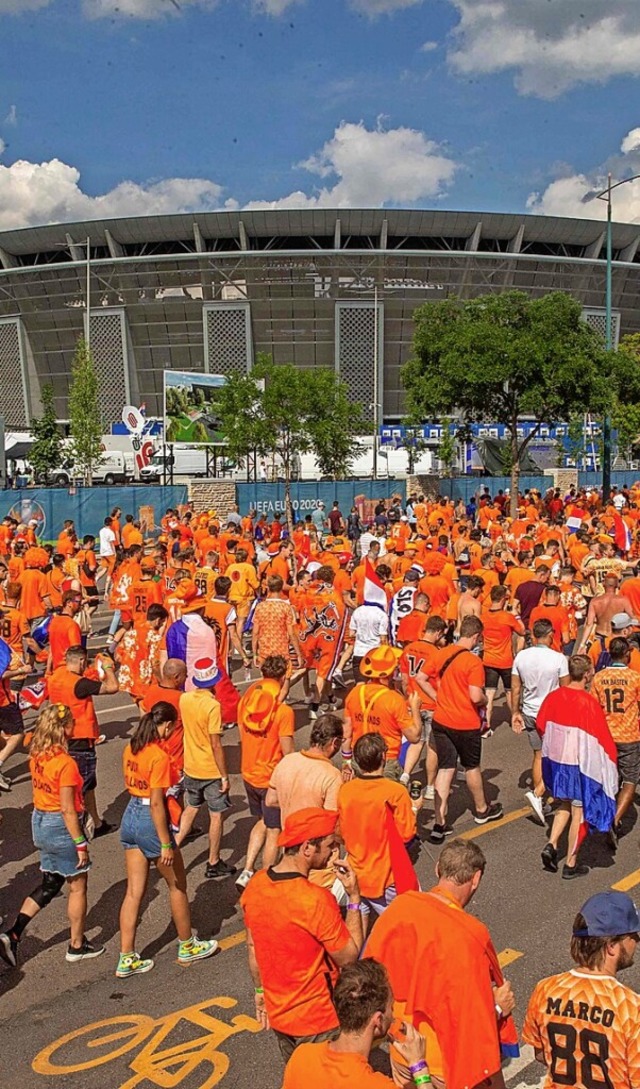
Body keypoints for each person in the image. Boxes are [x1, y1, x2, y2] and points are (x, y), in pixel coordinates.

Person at [366, 839, 516, 1089]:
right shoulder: (470, 934)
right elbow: (470, 1015)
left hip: (402, 1048)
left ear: (437, 869)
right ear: (476, 879)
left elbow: (369, 973)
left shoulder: (398, 908)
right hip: (446, 1062)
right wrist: (499, 1008)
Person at [240, 807, 363, 1062]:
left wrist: (260, 992)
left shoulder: (256, 886)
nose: (333, 852)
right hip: (319, 1019)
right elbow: (349, 957)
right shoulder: (315, 900)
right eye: (329, 845)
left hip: (279, 1015)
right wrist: (353, 899)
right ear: (308, 847)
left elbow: (253, 949)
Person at [117, 701, 218, 977]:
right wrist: (165, 842)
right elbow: (157, 804)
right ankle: (187, 944)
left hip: (130, 816)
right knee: (177, 886)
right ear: (168, 725)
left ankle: (126, 956)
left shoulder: (132, 748)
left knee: (134, 891)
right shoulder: (158, 757)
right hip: (150, 821)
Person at [0, 703, 104, 968]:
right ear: (63, 728)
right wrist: (80, 843)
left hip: (41, 822)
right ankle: (77, 945)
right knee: (78, 886)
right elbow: (68, 809)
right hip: (61, 826)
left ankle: (13, 934)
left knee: (51, 882)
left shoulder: (36, 756)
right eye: (71, 722)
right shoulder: (65, 764)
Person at [523, 891, 640, 1088]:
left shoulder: (545, 990)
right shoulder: (631, 1008)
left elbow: (541, 1053)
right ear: (611, 946)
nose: (636, 941)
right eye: (632, 935)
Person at [282, 959, 427, 1088]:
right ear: (378, 1020)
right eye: (391, 1007)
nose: (393, 1013)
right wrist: (419, 1066)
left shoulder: (301, 1056)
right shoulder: (376, 1085)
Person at [538, 655, 618, 879]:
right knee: (578, 811)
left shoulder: (554, 696)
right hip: (578, 766)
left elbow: (541, 724)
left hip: (557, 761)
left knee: (563, 804)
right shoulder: (588, 702)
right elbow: (601, 738)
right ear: (586, 675)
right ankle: (571, 862)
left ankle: (552, 844)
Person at [429, 615, 503, 843]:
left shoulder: (442, 653)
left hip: (441, 720)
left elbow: (421, 677)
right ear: (476, 636)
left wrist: (437, 697)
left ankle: (439, 822)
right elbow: (474, 695)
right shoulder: (473, 663)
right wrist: (483, 701)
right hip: (465, 723)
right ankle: (482, 810)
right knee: (471, 766)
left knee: (445, 768)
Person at [338, 733, 418, 919]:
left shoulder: (345, 790)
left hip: (355, 871)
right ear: (383, 756)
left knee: (358, 923)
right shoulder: (395, 792)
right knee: (401, 923)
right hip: (384, 876)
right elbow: (406, 834)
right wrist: (414, 809)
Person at [235, 656, 295, 890]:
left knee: (261, 820)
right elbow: (287, 749)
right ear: (282, 678)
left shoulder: (249, 696)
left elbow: (241, 730)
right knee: (274, 829)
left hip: (248, 771)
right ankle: (265, 879)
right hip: (271, 778)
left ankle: (247, 868)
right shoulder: (283, 711)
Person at [47, 644, 119, 835]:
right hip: (80, 738)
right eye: (84, 662)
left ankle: (96, 823)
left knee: (87, 785)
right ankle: (78, 828)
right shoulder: (79, 684)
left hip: (60, 737)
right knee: (81, 786)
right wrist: (109, 668)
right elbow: (113, 687)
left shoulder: (56, 676)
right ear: (80, 660)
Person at [175, 656, 234, 879]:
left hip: (191, 765)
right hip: (210, 769)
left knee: (191, 807)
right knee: (216, 815)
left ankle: (174, 846)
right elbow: (215, 744)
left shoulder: (185, 699)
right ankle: (213, 860)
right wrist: (224, 775)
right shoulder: (212, 706)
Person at [511, 618, 570, 824]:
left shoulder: (521, 657)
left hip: (529, 710)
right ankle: (540, 793)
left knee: (538, 755)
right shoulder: (559, 658)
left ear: (534, 635)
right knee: (556, 755)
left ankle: (541, 799)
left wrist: (515, 712)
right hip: (552, 713)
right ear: (551, 635)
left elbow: (515, 689)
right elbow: (565, 690)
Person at [342, 645, 421, 782]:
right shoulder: (394, 699)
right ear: (390, 673)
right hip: (385, 761)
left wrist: (346, 762)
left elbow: (346, 733)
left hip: (359, 757)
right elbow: (414, 736)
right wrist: (415, 708)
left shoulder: (355, 692)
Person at [590, 636, 640, 846]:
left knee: (609, 779)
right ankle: (615, 819)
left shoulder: (599, 678)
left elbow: (592, 708)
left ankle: (606, 811)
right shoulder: (635, 678)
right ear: (627, 654)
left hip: (606, 735)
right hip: (629, 735)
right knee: (630, 780)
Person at [266, 713, 343, 822]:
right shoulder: (332, 776)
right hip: (313, 837)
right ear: (335, 742)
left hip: (287, 834)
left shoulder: (287, 760)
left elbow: (270, 800)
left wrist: (293, 808)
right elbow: (331, 818)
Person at [482, 584, 525, 731]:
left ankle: (486, 725)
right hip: (506, 660)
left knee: (489, 693)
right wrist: (515, 614)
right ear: (502, 599)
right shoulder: (507, 617)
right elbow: (522, 631)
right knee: (510, 691)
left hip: (488, 658)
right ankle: (515, 719)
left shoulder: (484, 616)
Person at [349, 598, 389, 679]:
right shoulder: (381, 614)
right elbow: (383, 639)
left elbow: (351, 634)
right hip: (374, 654)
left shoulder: (357, 611)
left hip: (358, 652)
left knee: (360, 684)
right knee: (374, 684)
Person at [46, 589, 83, 674]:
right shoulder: (72, 625)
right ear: (69, 603)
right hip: (69, 670)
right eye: (78, 602)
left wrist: (48, 669)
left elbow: (51, 648)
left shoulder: (54, 621)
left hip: (56, 670)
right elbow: (76, 652)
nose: (80, 605)